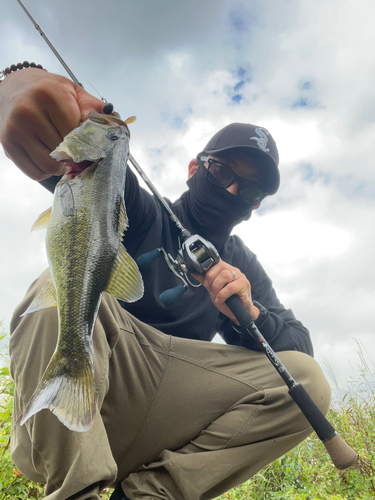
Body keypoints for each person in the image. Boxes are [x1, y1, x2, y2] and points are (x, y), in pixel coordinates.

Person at [0, 66, 331, 500]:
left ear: (255, 208)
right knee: (63, 288)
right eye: (222, 173)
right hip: (93, 401)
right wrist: (17, 84)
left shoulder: (241, 264)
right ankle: (74, 489)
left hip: (170, 419)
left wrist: (247, 314)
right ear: (196, 167)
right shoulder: (142, 210)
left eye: (250, 191)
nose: (233, 192)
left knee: (308, 381)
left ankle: (147, 495)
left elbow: (299, 346)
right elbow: (87, 166)